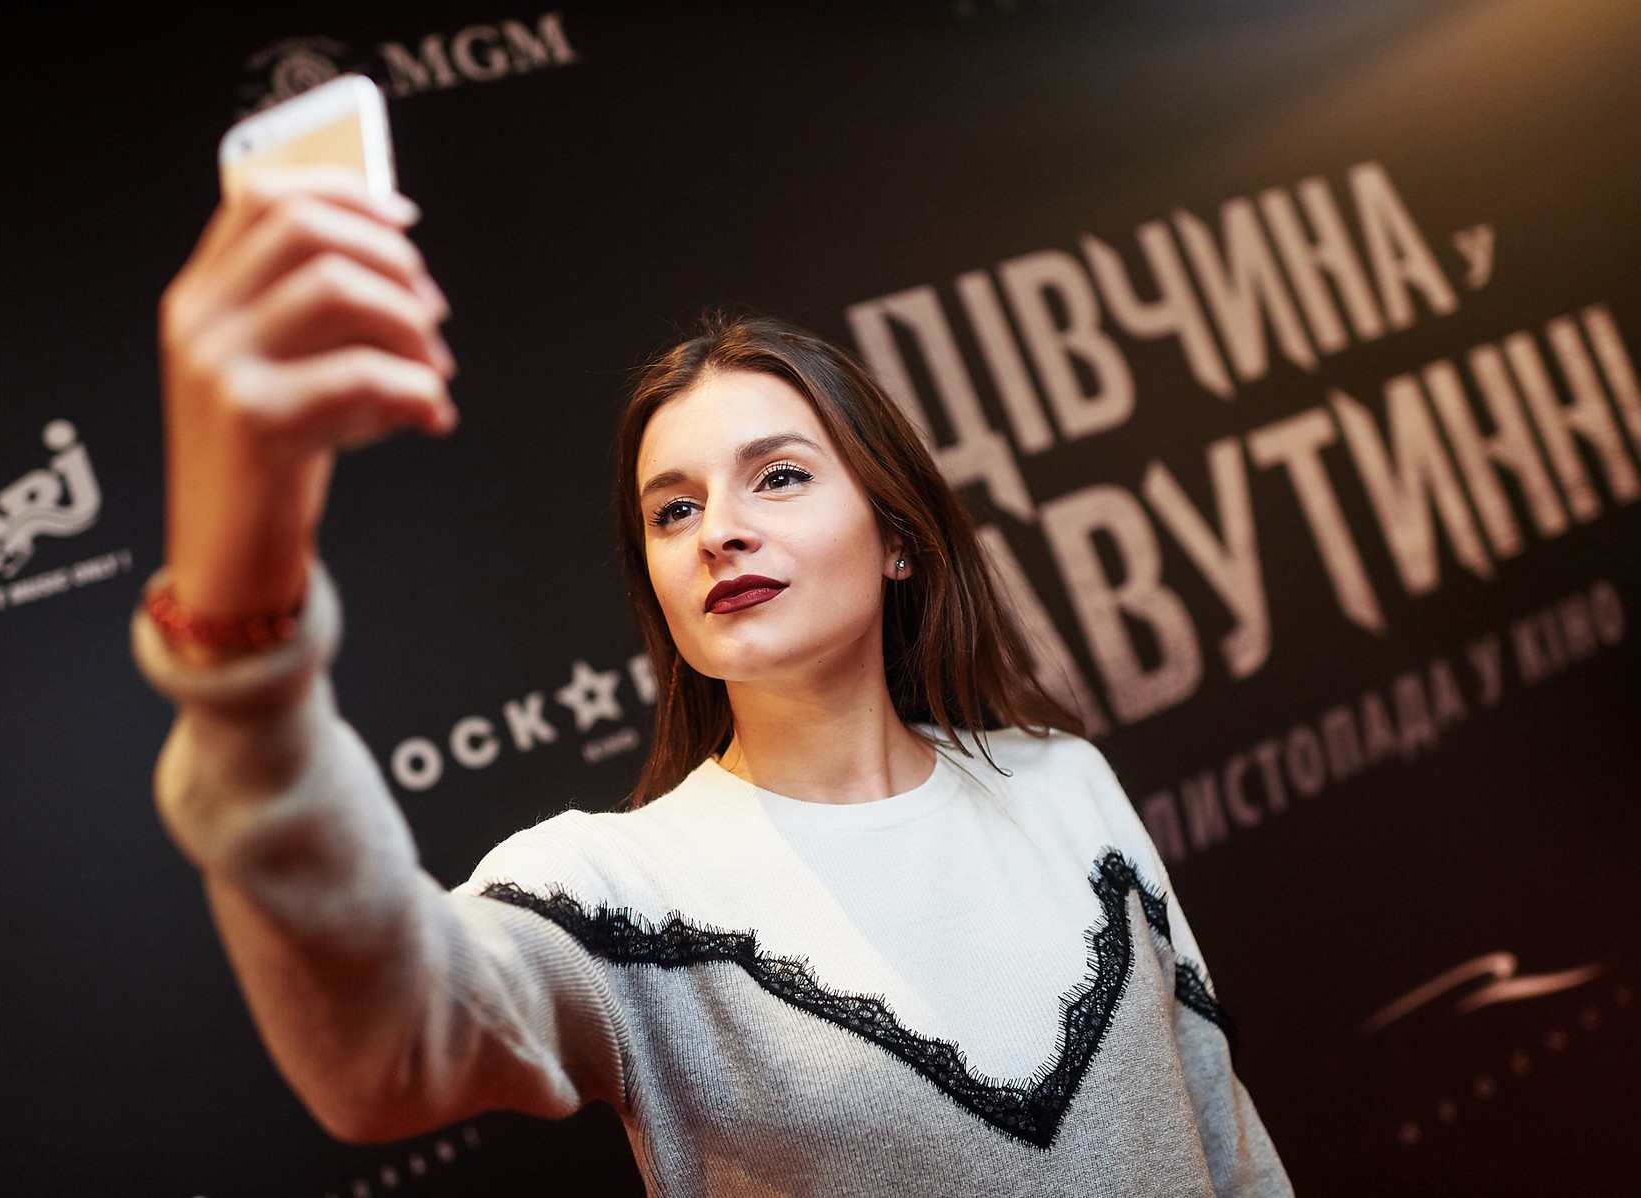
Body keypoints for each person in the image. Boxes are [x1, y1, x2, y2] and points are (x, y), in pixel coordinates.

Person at [134, 171, 1293, 1197]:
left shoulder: (1063, 784)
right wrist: (240, 608)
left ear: (897, 536)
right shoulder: (617, 889)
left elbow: (1224, 1136)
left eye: (777, 477)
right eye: (674, 508)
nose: (719, 531)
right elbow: (383, 1051)